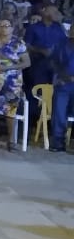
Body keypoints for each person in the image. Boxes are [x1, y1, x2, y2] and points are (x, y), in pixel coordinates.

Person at [0, 18, 30, 151]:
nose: (3, 28)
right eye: (1, 26)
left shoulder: (18, 43)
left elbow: (27, 63)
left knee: (10, 111)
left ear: (12, 28)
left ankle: (11, 141)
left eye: (6, 26)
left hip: (11, 81)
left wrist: (8, 67)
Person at [47, 25, 74, 153]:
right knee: (59, 113)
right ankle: (58, 142)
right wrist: (62, 75)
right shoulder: (61, 43)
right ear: (70, 30)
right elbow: (52, 62)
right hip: (63, 84)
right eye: (73, 29)